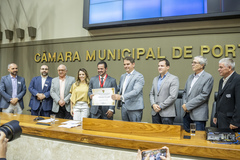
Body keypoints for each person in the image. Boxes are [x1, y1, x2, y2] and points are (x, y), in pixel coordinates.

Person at [182, 56, 213, 132]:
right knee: (186, 139)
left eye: (195, 63)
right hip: (186, 114)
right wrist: (184, 104)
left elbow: (204, 96)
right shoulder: (190, 77)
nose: (192, 64)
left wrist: (188, 106)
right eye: (192, 62)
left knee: (198, 140)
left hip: (198, 115)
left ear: (202, 65)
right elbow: (185, 92)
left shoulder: (208, 77)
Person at [112, 56, 145, 122]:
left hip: (134, 108)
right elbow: (120, 88)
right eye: (124, 64)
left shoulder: (139, 76)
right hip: (124, 107)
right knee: (125, 129)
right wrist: (108, 90)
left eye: (128, 64)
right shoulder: (123, 76)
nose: (126, 66)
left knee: (135, 129)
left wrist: (121, 97)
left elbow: (136, 91)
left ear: (133, 64)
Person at [149, 58, 179, 124]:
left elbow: (173, 96)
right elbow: (151, 94)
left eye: (162, 66)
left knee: (166, 134)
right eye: (158, 66)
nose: (159, 67)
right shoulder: (155, 79)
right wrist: (153, 104)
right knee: (155, 134)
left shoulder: (173, 79)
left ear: (167, 67)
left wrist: (160, 106)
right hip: (155, 113)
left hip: (167, 114)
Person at [213, 58, 240, 131]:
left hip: (231, 122)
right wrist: (216, 115)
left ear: (229, 68)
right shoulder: (221, 80)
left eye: (221, 67)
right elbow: (219, 99)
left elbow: (239, 103)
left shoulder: (238, 80)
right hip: (221, 120)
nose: (219, 69)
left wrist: (236, 122)